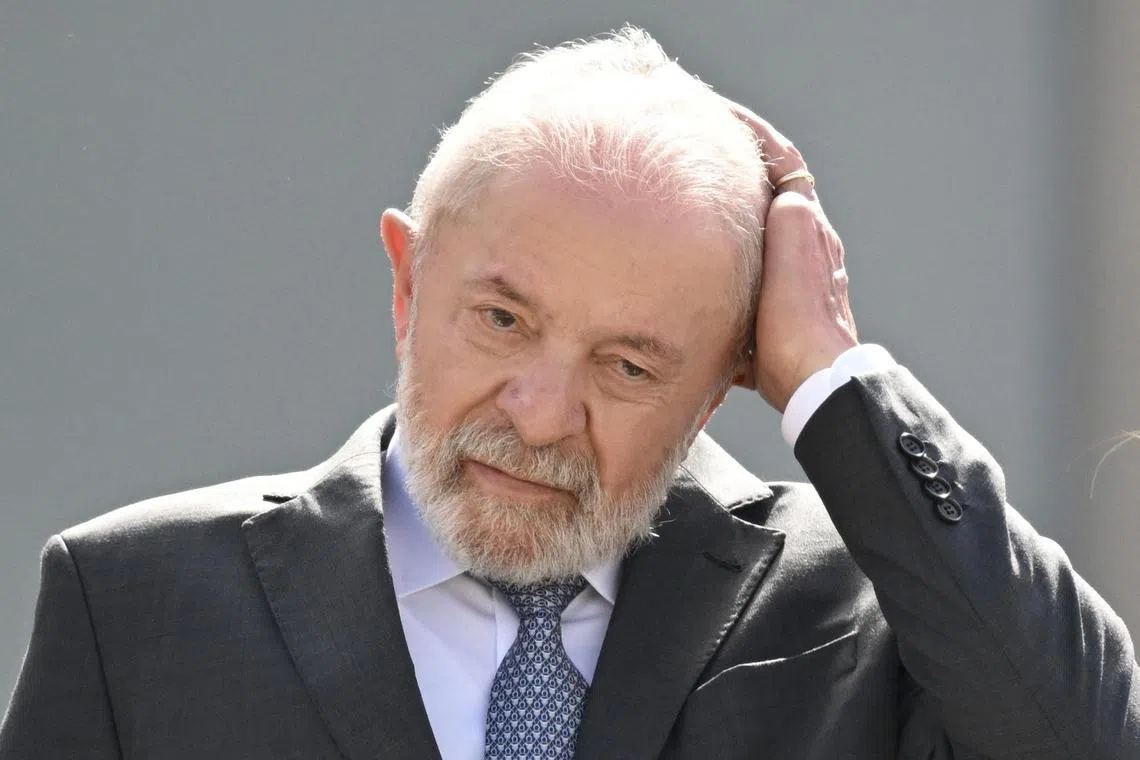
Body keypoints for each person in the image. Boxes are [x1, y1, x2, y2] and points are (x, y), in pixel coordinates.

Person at [1, 27, 1137, 760]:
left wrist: (833, 380)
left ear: (718, 389)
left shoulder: (867, 612)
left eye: (630, 366)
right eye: (502, 320)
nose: (540, 414)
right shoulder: (135, 602)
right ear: (407, 281)